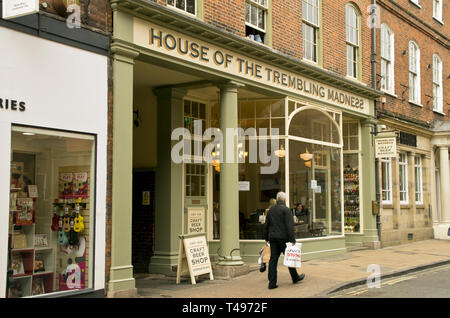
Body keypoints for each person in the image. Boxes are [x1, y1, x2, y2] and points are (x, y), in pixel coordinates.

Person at [263, 192, 305, 289]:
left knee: (273, 260)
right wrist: (292, 239)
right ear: (285, 200)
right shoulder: (286, 210)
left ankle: (272, 283)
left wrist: (266, 238)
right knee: (289, 258)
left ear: (277, 200)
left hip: (273, 238)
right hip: (284, 238)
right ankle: (295, 277)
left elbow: (266, 225)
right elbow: (290, 227)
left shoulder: (270, 210)